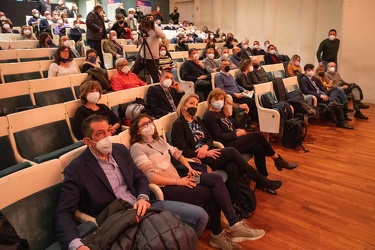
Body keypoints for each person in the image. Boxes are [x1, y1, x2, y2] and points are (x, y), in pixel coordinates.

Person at [55, 114, 209, 249]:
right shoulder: (76, 169)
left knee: (199, 216)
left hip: (144, 206)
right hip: (118, 219)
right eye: (100, 134)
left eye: (108, 131)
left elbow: (140, 177)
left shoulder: (120, 150)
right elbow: (64, 212)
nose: (107, 137)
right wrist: (77, 245)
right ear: (87, 141)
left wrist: (143, 197)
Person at [129, 114, 266, 250]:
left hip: (181, 178)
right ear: (137, 130)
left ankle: (234, 224)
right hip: (165, 187)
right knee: (213, 192)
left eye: (150, 122)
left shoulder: (158, 140)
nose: (149, 126)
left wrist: (189, 168)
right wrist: (177, 182)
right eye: (144, 124)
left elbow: (178, 154)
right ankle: (220, 233)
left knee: (216, 179)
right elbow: (150, 177)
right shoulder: (137, 148)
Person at [172, 93, 283, 209]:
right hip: (198, 159)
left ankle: (236, 201)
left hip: (209, 152)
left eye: (196, 104)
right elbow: (182, 151)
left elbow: (209, 138)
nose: (194, 106)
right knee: (231, 151)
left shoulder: (197, 120)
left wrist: (206, 147)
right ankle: (260, 179)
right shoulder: (178, 124)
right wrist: (204, 152)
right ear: (183, 105)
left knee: (232, 166)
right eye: (191, 103)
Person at [203, 88, 298, 195]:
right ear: (211, 100)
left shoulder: (221, 113)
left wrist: (246, 113)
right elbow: (219, 137)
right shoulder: (209, 115)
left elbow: (237, 125)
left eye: (222, 99)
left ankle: (263, 181)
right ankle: (277, 159)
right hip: (227, 146)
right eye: (217, 99)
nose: (220, 101)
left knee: (259, 147)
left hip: (234, 140)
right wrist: (236, 134)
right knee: (257, 135)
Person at [300, 64, 353, 129]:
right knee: (337, 101)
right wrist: (320, 95)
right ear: (305, 71)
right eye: (309, 70)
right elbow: (306, 91)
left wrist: (325, 93)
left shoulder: (313, 78)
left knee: (336, 89)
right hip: (316, 96)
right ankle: (341, 122)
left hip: (323, 93)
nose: (311, 71)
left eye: (312, 70)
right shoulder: (304, 79)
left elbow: (321, 87)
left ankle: (331, 101)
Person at [132, 15, 166, 84]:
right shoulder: (143, 29)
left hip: (153, 57)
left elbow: (163, 36)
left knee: (156, 78)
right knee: (133, 73)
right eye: (147, 20)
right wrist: (136, 39)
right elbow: (139, 42)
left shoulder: (156, 28)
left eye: (151, 20)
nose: (149, 21)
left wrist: (154, 28)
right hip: (142, 56)